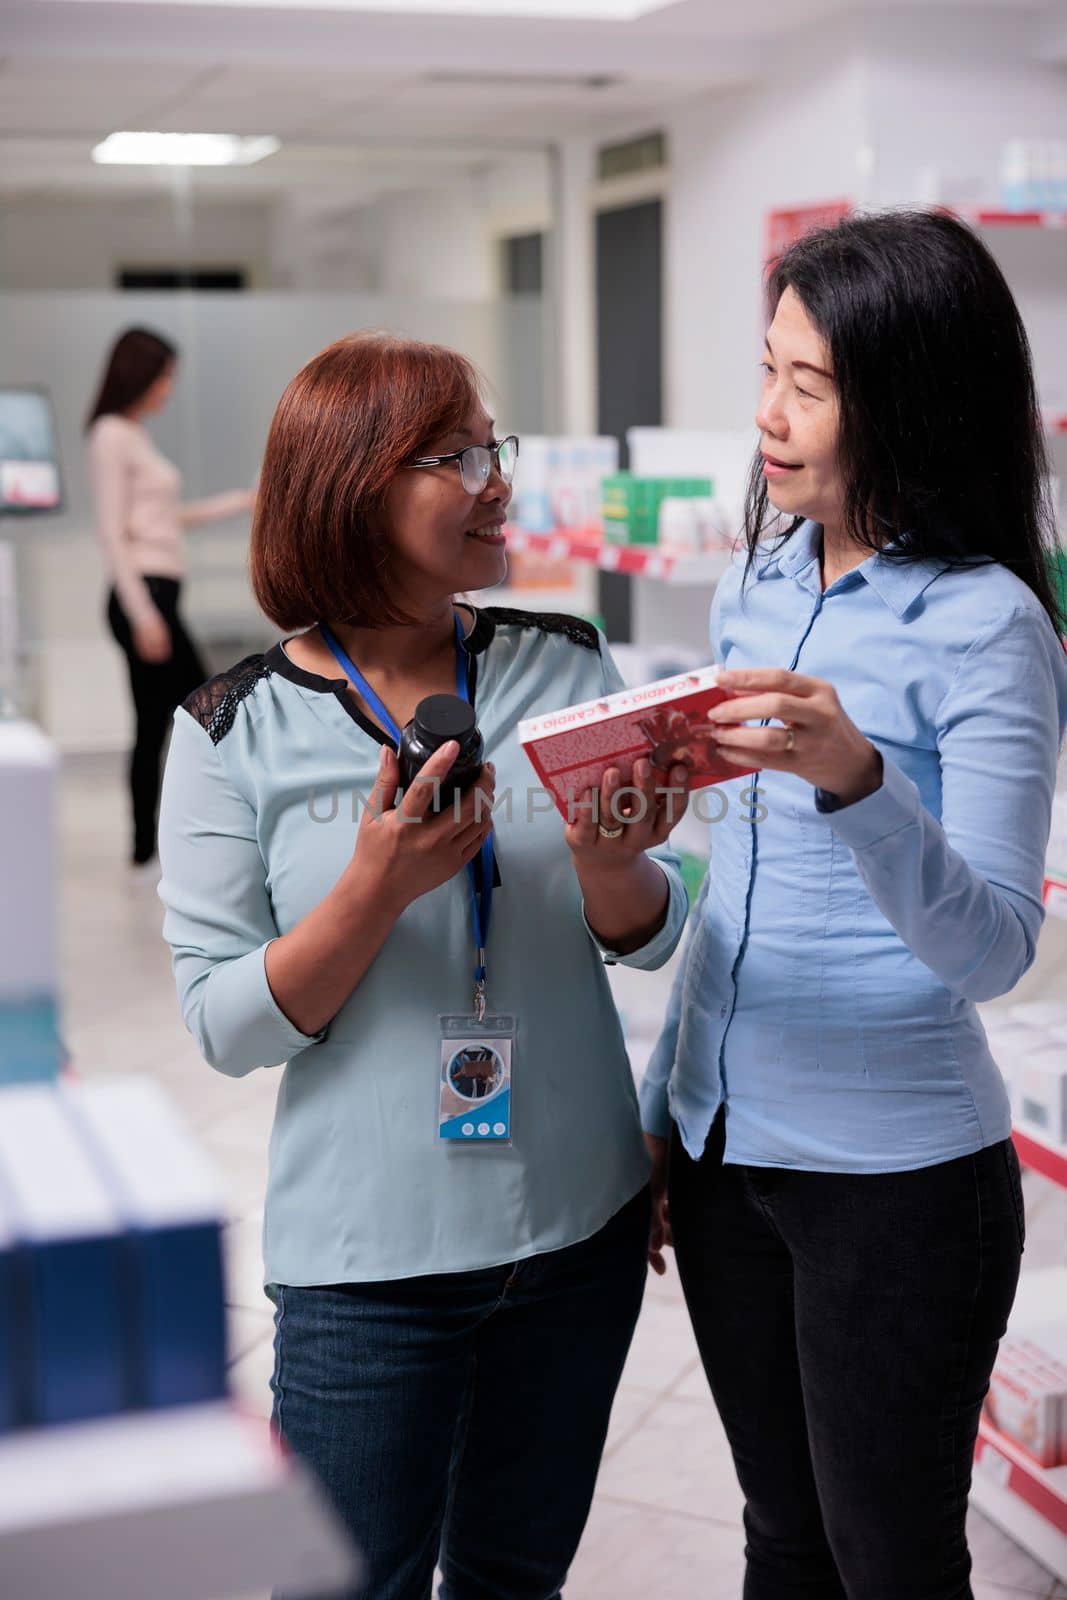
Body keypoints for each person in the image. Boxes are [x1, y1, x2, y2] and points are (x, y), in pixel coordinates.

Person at [156, 332, 692, 1600]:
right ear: (350, 488)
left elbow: (657, 930)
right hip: (368, 1267)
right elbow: (227, 1024)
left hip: (579, 1228)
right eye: (454, 456)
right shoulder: (233, 729)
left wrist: (617, 866)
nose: (494, 480)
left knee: (514, 1576)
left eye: (489, 448)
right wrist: (372, 888)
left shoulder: (560, 665)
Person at [641, 210, 1067, 1600]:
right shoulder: (752, 582)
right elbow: (733, 891)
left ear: (905, 398)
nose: (766, 414)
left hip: (893, 1188)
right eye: (764, 370)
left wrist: (857, 781)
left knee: (886, 1565)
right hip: (720, 1157)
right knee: (779, 1538)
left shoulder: (987, 622)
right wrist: (663, 1101)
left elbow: (994, 948)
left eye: (807, 386)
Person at [85, 326, 255, 873]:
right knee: (202, 710)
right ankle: (154, 845)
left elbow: (164, 520)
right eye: (164, 377)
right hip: (145, 595)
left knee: (168, 718)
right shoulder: (111, 434)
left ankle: (154, 844)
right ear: (139, 375)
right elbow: (112, 533)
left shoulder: (133, 434)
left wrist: (241, 502)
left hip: (160, 594)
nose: (168, 389)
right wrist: (143, 615)